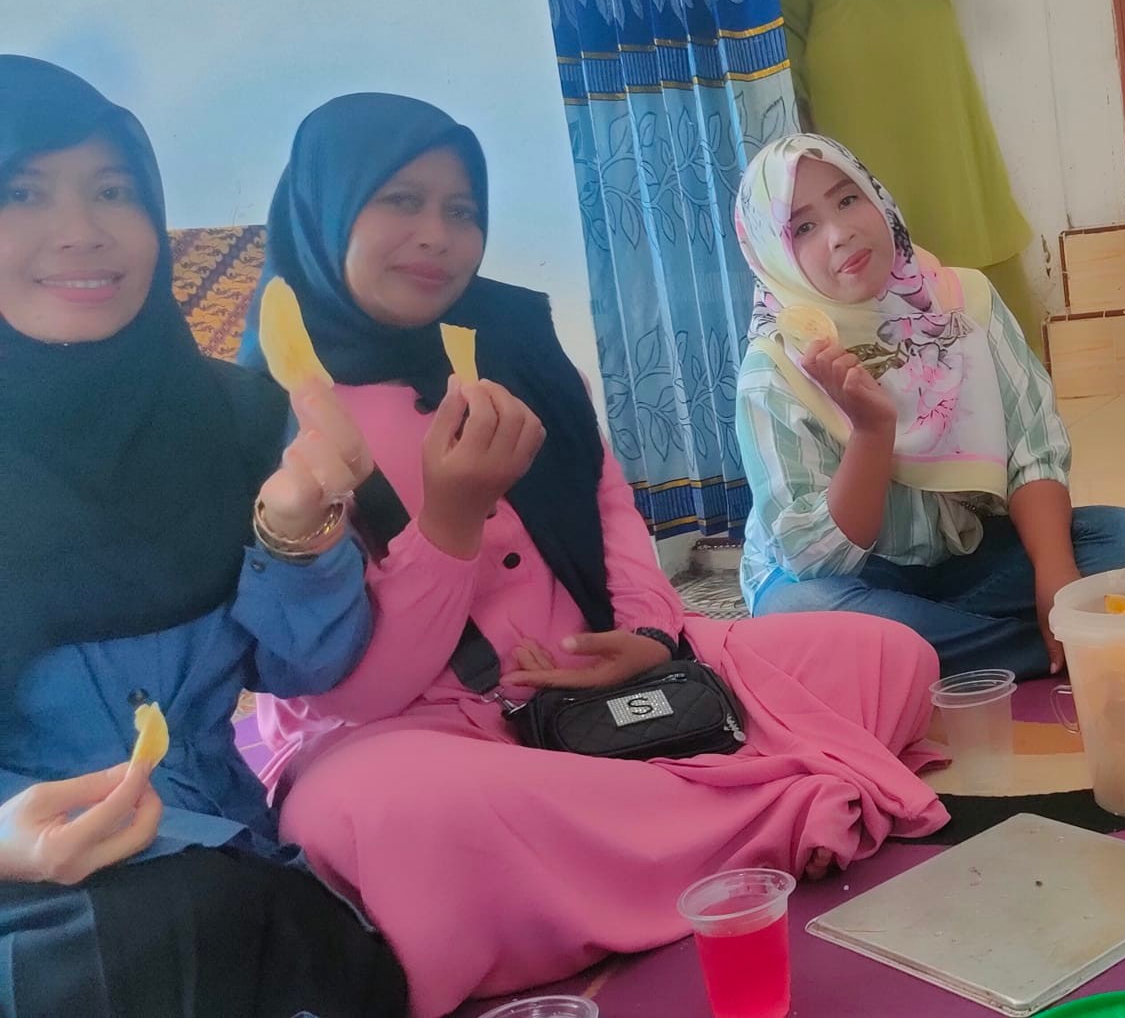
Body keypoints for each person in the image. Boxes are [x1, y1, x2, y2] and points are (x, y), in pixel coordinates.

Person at [243, 95, 949, 1017]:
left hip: (604, 680)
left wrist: (648, 638)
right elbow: (350, 693)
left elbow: (611, 507)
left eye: (461, 209)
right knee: (395, 823)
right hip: (421, 730)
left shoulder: (515, 345)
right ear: (326, 208)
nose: (437, 236)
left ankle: (657, 833)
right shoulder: (277, 412)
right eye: (401, 201)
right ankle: (773, 806)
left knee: (892, 657)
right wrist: (451, 522)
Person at [0, 57, 404, 1016]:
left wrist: (298, 538)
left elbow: (306, 669)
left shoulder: (232, 415)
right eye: (23, 192)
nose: (82, 231)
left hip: (223, 863)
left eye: (113, 192)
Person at [736, 134, 1125, 679]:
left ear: (876, 195)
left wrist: (1056, 577)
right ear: (772, 252)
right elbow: (816, 558)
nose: (840, 233)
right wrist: (871, 432)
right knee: (799, 612)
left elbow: (1032, 450)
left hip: (966, 559)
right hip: (856, 581)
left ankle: (930, 658)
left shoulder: (961, 304)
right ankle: (1041, 648)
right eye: (803, 228)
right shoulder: (776, 368)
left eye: (847, 199)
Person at [772, 0, 1044, 343]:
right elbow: (788, 31)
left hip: (945, 120)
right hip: (859, 124)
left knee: (972, 245)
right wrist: (803, 139)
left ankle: (1007, 375)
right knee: (879, 243)